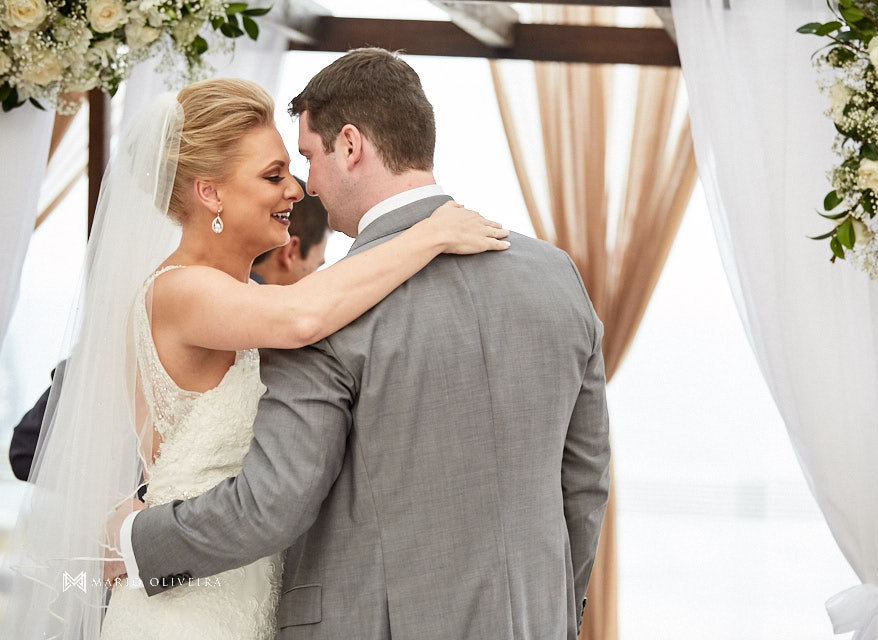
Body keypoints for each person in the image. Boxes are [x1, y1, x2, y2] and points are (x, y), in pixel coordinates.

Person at [112, 48, 610, 639]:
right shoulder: (557, 276)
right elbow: (584, 482)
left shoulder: (330, 311)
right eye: (279, 173)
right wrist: (557, 605)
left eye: (307, 159)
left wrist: (137, 543)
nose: (304, 186)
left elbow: (274, 504)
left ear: (350, 146)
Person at [0, 76, 508, 640]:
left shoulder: (243, 297)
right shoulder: (179, 291)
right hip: (186, 611)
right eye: (273, 176)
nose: (296, 190)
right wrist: (427, 235)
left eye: (291, 169)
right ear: (210, 193)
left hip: (245, 595)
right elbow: (303, 318)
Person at [6, 182, 329, 482]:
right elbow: (32, 447)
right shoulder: (192, 301)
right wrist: (155, 496)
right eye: (315, 267)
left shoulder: (159, 296)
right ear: (291, 251)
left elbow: (28, 444)